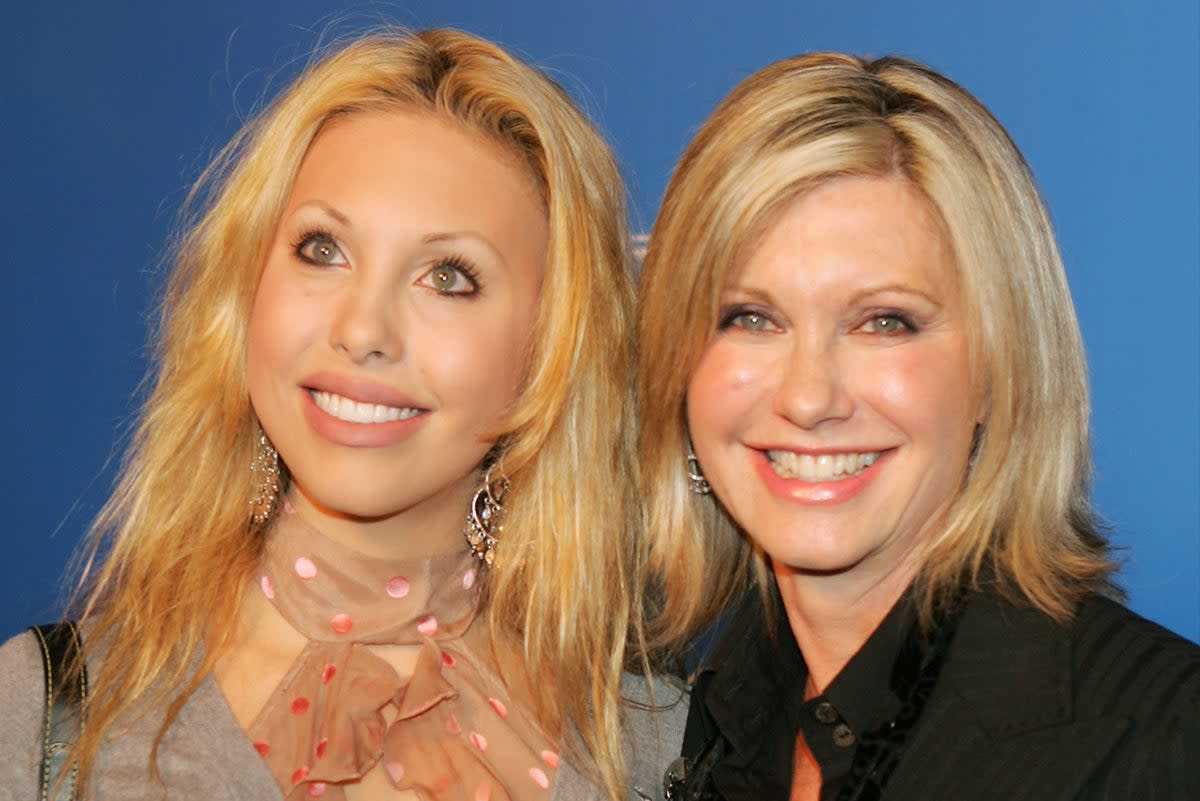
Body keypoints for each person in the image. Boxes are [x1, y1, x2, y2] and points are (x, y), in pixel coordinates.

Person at [0, 28, 684, 801]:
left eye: (449, 276)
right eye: (322, 249)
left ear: (554, 347)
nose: (362, 330)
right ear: (247, 285)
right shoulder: (45, 715)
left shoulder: (666, 752)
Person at [637, 52, 1199, 801]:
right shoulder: (705, 724)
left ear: (1000, 372)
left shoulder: (1164, 745)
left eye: (884, 321)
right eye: (750, 317)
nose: (808, 398)